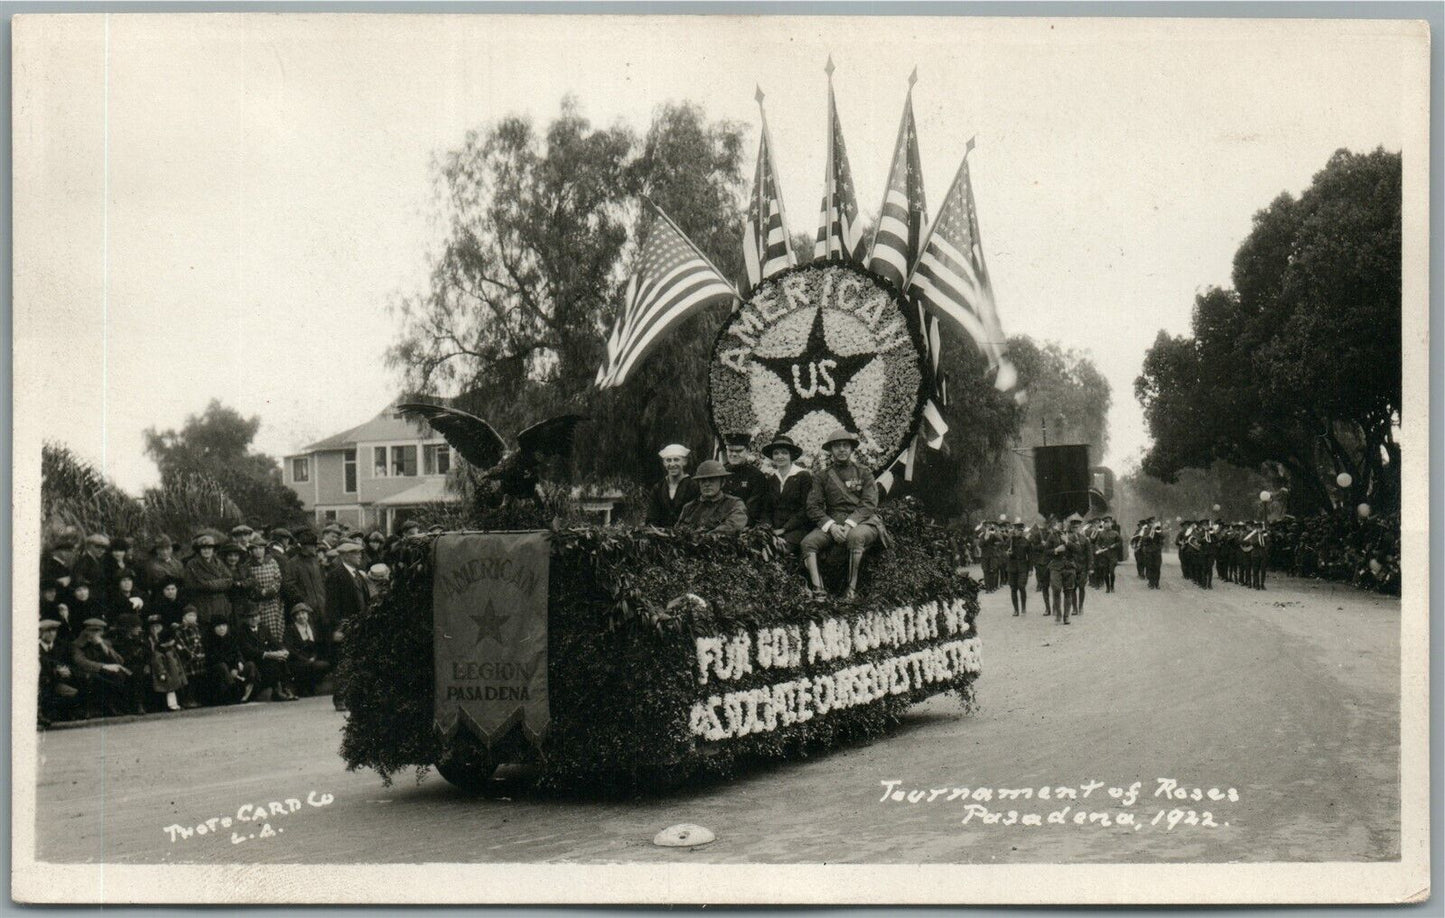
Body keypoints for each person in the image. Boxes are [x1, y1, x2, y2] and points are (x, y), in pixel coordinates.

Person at [801, 428, 891, 601]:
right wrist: (831, 526)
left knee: (855, 537)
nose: (841, 449)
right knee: (808, 543)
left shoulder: (864, 473)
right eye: (837, 446)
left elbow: (869, 503)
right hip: (834, 522)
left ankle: (851, 590)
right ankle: (819, 590)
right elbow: (813, 506)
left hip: (863, 521)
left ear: (851, 449)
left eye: (845, 445)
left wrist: (850, 524)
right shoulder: (822, 476)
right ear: (830, 450)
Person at [325, 540, 370, 711]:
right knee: (344, 661)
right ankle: (340, 698)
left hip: (359, 625)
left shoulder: (358, 575)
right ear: (345, 556)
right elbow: (331, 606)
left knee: (357, 661)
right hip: (345, 625)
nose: (359, 555)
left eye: (359, 552)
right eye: (355, 553)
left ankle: (353, 697)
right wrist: (337, 628)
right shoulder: (336, 575)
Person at [71, 617, 143, 717]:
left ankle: (132, 706)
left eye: (99, 631)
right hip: (88, 674)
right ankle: (113, 707)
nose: (96, 634)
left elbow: (119, 660)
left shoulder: (105, 643)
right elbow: (81, 662)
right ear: (86, 631)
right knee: (113, 677)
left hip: (105, 672)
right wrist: (104, 666)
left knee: (129, 675)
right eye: (93, 631)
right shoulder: (77, 645)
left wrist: (102, 646)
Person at [760, 434, 812, 552]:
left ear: (791, 455)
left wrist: (784, 529)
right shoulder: (772, 479)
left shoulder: (803, 476)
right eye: (776, 453)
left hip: (797, 528)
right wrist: (768, 529)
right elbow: (766, 510)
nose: (780, 456)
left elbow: (806, 509)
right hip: (774, 529)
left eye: (784, 452)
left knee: (777, 549)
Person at [237, 607, 296, 701]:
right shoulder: (241, 632)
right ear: (245, 619)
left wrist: (283, 650)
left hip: (266, 660)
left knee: (281, 659)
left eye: (256, 616)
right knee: (274, 662)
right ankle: (277, 691)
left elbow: (274, 642)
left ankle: (284, 689)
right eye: (250, 616)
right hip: (253, 662)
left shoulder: (264, 628)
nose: (254, 619)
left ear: (260, 617)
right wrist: (269, 654)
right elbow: (248, 651)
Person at [675, 461, 749, 534]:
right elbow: (677, 532)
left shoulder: (734, 504)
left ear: (722, 482)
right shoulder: (689, 507)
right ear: (698, 483)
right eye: (703, 481)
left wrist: (700, 538)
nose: (707, 484)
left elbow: (732, 527)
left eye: (712, 480)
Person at [202, 614, 255, 705]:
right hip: (218, 673)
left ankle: (246, 694)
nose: (222, 628)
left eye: (224, 625)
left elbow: (238, 653)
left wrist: (239, 662)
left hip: (234, 671)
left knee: (250, 665)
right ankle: (233, 693)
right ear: (213, 628)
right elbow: (215, 658)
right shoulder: (209, 640)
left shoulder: (231, 638)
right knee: (222, 667)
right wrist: (232, 669)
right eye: (218, 626)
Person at [184, 533, 233, 628]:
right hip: (203, 605)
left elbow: (229, 580)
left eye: (209, 548)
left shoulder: (218, 562)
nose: (207, 551)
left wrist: (210, 584)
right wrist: (217, 583)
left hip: (220, 604)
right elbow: (192, 585)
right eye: (204, 548)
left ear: (213, 549)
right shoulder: (192, 564)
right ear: (199, 550)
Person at [645, 444, 699, 528]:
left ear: (684, 462)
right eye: (668, 460)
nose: (672, 464)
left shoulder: (693, 486)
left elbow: (696, 515)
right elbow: (651, 516)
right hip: (660, 535)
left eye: (676, 460)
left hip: (686, 534)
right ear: (664, 463)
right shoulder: (658, 488)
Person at [39, 619, 82, 725]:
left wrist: (67, 671)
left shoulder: (61, 647)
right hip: (43, 684)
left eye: (54, 631)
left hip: (58, 682)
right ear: (40, 633)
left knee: (74, 692)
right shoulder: (34, 648)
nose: (51, 634)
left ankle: (60, 715)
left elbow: (69, 663)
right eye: (47, 631)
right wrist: (56, 672)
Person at [283, 604, 331, 697]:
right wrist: (304, 659)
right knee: (308, 666)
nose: (301, 616)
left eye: (303, 613)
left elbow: (318, 645)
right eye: (298, 614)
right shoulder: (290, 629)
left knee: (324, 665)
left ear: (307, 614)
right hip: (297, 660)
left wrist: (314, 656)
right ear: (294, 617)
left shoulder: (312, 628)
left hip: (312, 658)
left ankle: (311, 685)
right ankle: (303, 687)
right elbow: (290, 649)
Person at [721, 432, 768, 521]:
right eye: (730, 450)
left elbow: (752, 509)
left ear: (747, 451)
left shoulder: (756, 476)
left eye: (739, 451)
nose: (734, 454)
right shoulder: (721, 472)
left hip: (744, 523)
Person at [144, 613, 187, 711]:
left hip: (171, 668)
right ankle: (167, 705)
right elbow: (155, 658)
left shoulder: (167, 637)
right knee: (166, 688)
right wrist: (161, 672)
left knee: (174, 687)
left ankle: (177, 703)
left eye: (158, 626)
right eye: (153, 626)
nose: (155, 629)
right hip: (158, 668)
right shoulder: (149, 639)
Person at [245, 535, 285, 638]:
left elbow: (278, 579)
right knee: (261, 629)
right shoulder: (248, 566)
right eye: (255, 548)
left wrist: (270, 590)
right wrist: (259, 592)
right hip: (258, 604)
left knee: (276, 628)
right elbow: (248, 582)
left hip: (273, 602)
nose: (258, 551)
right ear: (251, 551)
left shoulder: (272, 562)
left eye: (261, 548)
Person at [172, 607, 206, 708]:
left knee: (197, 680)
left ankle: (195, 699)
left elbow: (200, 643)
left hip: (198, 659)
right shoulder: (180, 630)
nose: (192, 618)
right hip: (188, 660)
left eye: (194, 615)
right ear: (184, 617)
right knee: (188, 681)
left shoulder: (197, 628)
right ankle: (187, 700)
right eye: (189, 615)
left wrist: (200, 654)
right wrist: (190, 654)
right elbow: (180, 644)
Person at [143, 535, 185, 599]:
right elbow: (167, 579)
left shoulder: (177, 563)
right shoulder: (153, 565)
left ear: (171, 549)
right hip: (160, 597)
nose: (165, 552)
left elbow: (183, 579)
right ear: (157, 550)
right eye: (161, 549)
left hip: (178, 596)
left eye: (167, 549)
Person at [71, 534, 109, 605]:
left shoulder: (100, 561)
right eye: (97, 547)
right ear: (89, 546)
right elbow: (79, 581)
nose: (101, 550)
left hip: (99, 598)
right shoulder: (83, 562)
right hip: (89, 600)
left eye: (104, 548)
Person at [1005, 520, 1031, 616]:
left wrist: (1031, 569)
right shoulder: (1009, 541)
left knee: (1021, 586)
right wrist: (1007, 553)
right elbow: (1004, 551)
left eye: (1020, 530)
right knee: (1013, 588)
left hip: (1023, 567)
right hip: (1012, 567)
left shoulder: (1026, 542)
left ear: (1023, 531)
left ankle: (1023, 606)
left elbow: (1030, 556)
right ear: (1014, 530)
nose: (1018, 532)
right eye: (1016, 530)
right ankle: (1016, 609)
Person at [1047, 544, 1076, 624]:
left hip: (1069, 568)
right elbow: (1046, 551)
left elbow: (1079, 550)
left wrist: (1067, 542)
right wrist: (1055, 550)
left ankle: (1066, 616)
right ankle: (1058, 615)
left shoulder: (1074, 536)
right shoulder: (1052, 536)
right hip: (1056, 568)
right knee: (1056, 590)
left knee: (1068, 592)